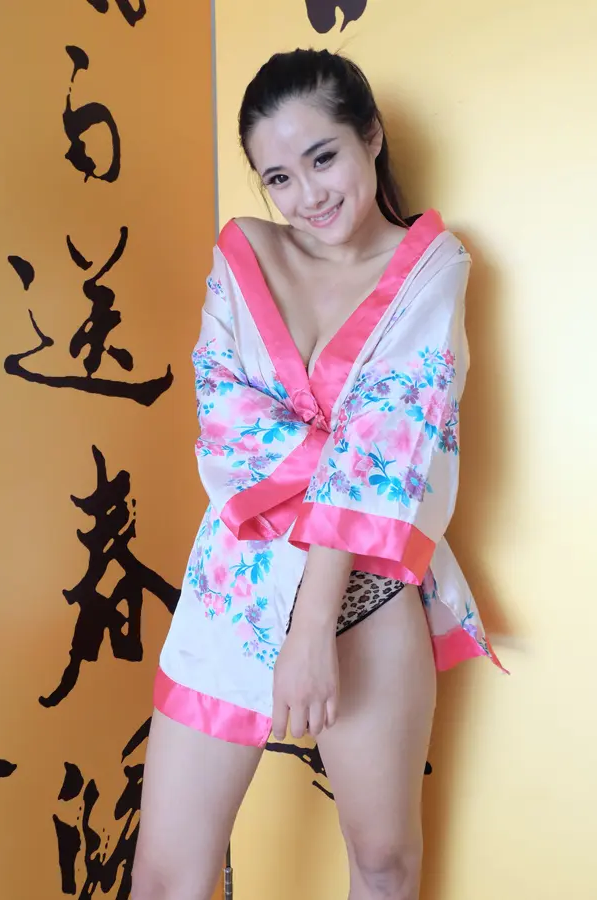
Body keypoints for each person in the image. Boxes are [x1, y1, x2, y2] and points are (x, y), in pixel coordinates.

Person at [132, 48, 503, 900]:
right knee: (165, 879)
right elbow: (227, 421)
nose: (308, 195)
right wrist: (343, 452)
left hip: (363, 588)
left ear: (371, 136)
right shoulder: (245, 255)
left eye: (323, 157)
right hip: (235, 580)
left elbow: (393, 439)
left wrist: (311, 632)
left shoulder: (432, 267)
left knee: (383, 862)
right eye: (279, 177)